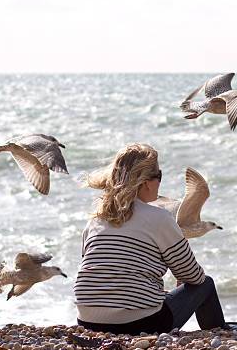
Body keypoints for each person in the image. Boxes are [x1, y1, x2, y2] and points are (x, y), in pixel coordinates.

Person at [75, 143, 226, 335]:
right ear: (146, 182)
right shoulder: (160, 217)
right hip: (138, 324)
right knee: (206, 284)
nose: (160, 183)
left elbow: (104, 271)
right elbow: (193, 277)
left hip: (87, 321)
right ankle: (221, 331)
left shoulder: (96, 220)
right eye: (159, 176)